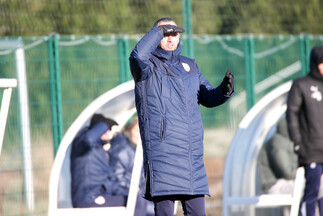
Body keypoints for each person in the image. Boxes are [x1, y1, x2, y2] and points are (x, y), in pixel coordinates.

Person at [129, 17, 234, 216]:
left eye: (174, 33)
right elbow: (137, 56)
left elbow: (207, 96)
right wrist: (157, 30)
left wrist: (223, 91)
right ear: (155, 36)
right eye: (164, 34)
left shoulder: (190, 66)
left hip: (191, 156)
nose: (170, 38)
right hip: (163, 155)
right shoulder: (146, 66)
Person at [287, 46, 323, 216]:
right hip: (312, 151)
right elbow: (292, 113)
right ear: (316, 63)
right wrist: (297, 140)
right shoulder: (301, 85)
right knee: (312, 192)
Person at [70, 113, 124, 208]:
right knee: (137, 203)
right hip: (88, 198)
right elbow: (88, 139)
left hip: (101, 195)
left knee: (135, 200)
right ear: (96, 130)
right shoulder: (81, 143)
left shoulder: (100, 149)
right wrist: (105, 124)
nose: (108, 132)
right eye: (105, 130)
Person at [109, 116, 148, 215]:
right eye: (136, 131)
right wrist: (135, 187)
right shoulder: (122, 151)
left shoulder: (134, 148)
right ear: (128, 130)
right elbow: (116, 177)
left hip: (138, 194)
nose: (140, 135)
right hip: (128, 194)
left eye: (142, 131)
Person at [258, 117, 298, 195]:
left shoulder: (287, 141)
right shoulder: (277, 143)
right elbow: (287, 172)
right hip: (274, 185)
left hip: (287, 182)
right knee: (313, 184)